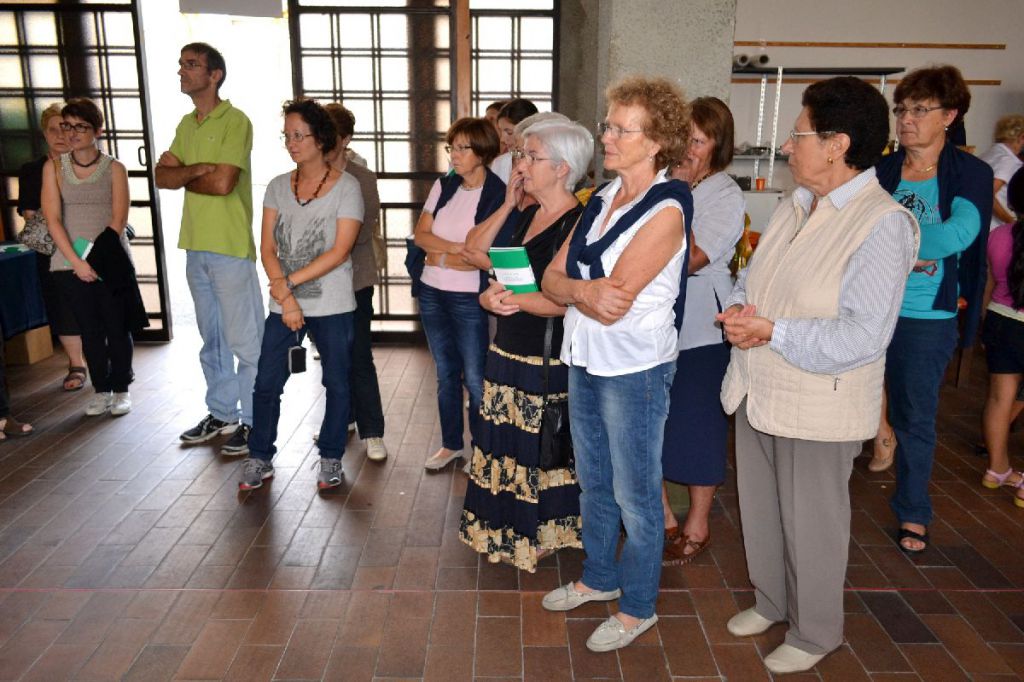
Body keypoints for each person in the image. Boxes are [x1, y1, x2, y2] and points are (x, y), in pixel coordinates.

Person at [718, 77, 918, 674]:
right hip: (761, 387)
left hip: (819, 401)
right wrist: (740, 309)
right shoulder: (795, 204)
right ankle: (772, 601)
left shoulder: (881, 223)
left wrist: (773, 331)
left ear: (837, 144)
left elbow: (864, 336)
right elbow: (751, 277)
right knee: (761, 510)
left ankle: (815, 633)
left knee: (812, 524)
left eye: (798, 134)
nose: (786, 146)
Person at [541, 76, 691, 653]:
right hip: (585, 356)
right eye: (608, 125)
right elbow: (552, 279)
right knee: (594, 481)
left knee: (637, 495)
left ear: (655, 143)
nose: (605, 136)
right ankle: (600, 576)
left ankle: (638, 606)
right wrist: (583, 290)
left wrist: (577, 290)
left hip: (634, 369)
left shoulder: (668, 208)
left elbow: (616, 300)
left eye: (620, 129)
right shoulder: (602, 198)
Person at [458, 119, 592, 571]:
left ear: (562, 168)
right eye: (522, 155)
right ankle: (502, 528)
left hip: (545, 356)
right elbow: (475, 253)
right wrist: (507, 206)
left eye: (532, 157)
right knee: (505, 446)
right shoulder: (529, 213)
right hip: (508, 348)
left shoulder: (580, 222)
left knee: (541, 450)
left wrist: (508, 299)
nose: (521, 165)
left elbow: (568, 300)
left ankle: (544, 534)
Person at [876, 65, 992, 553]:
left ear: (949, 115)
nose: (906, 119)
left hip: (926, 317)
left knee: (916, 418)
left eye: (920, 110)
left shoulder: (970, 173)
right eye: (902, 109)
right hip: (869, 308)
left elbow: (958, 234)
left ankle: (913, 511)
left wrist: (897, 244)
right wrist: (913, 249)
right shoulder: (881, 170)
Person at [238, 99, 363, 491]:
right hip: (284, 303)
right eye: (286, 136)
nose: (291, 143)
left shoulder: (348, 187)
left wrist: (287, 284)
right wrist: (287, 298)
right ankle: (260, 456)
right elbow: (267, 248)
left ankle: (331, 456)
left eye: (298, 136)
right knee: (266, 382)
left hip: (332, 303)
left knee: (337, 383)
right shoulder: (278, 186)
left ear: (320, 138)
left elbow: (339, 251)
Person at [156, 42, 263, 456]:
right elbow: (161, 178)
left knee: (246, 341)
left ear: (214, 74)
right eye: (181, 64)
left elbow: (222, 183)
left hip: (230, 247)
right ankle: (222, 413)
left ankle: (254, 421)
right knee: (211, 339)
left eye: (191, 64)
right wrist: (195, 170)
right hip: (195, 246)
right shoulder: (187, 124)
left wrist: (184, 173)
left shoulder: (235, 121)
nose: (181, 71)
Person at [661, 97, 745, 565]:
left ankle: (698, 523)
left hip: (701, 327)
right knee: (652, 422)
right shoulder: (666, 181)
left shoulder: (724, 194)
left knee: (698, 423)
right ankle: (662, 519)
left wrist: (679, 194)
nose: (688, 149)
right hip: (655, 322)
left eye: (698, 140)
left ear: (717, 145)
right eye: (684, 139)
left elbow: (693, 259)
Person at [41, 98, 142, 417]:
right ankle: (101, 389)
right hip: (68, 262)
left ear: (98, 131)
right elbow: (52, 219)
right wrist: (77, 262)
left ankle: (122, 388)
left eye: (80, 126)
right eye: (67, 126)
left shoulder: (114, 168)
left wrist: (94, 261)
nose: (71, 133)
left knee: (117, 325)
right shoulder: (54, 167)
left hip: (110, 259)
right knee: (89, 329)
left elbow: (119, 219)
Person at [414, 118, 504, 470]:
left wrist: (440, 255)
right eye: (451, 147)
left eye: (463, 148)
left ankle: (481, 451)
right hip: (431, 291)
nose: (454, 154)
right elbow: (421, 236)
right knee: (446, 373)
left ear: (482, 152)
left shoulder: (497, 193)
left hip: (470, 297)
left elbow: (482, 255)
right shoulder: (444, 185)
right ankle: (451, 444)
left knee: (476, 376)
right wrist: (453, 250)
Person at [324, 103, 388, 462]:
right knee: (332, 357)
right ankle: (342, 419)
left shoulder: (361, 177)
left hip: (355, 278)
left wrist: (325, 244)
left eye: (330, 135)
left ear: (346, 139)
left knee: (359, 354)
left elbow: (363, 229)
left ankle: (373, 431)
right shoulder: (306, 173)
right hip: (318, 282)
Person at [17, 103, 87, 393]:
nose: (59, 135)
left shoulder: (87, 163)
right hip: (50, 248)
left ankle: (104, 357)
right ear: (44, 133)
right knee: (61, 304)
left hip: (86, 243)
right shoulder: (32, 170)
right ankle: (76, 363)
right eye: (52, 129)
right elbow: (29, 212)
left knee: (93, 300)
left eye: (64, 128)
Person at [980, 167, 1024, 505]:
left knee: (999, 399)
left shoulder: (998, 236)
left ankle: (996, 469)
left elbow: (990, 285)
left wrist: (984, 322)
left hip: (1000, 321)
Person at [979, 115, 1024, 230]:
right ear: (1021, 137)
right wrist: (1011, 222)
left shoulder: (988, 154)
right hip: (997, 227)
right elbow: (987, 194)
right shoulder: (1008, 161)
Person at [490, 99, 539, 183]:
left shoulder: (544, 164)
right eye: (500, 131)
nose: (502, 139)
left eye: (509, 132)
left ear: (529, 130)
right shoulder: (499, 163)